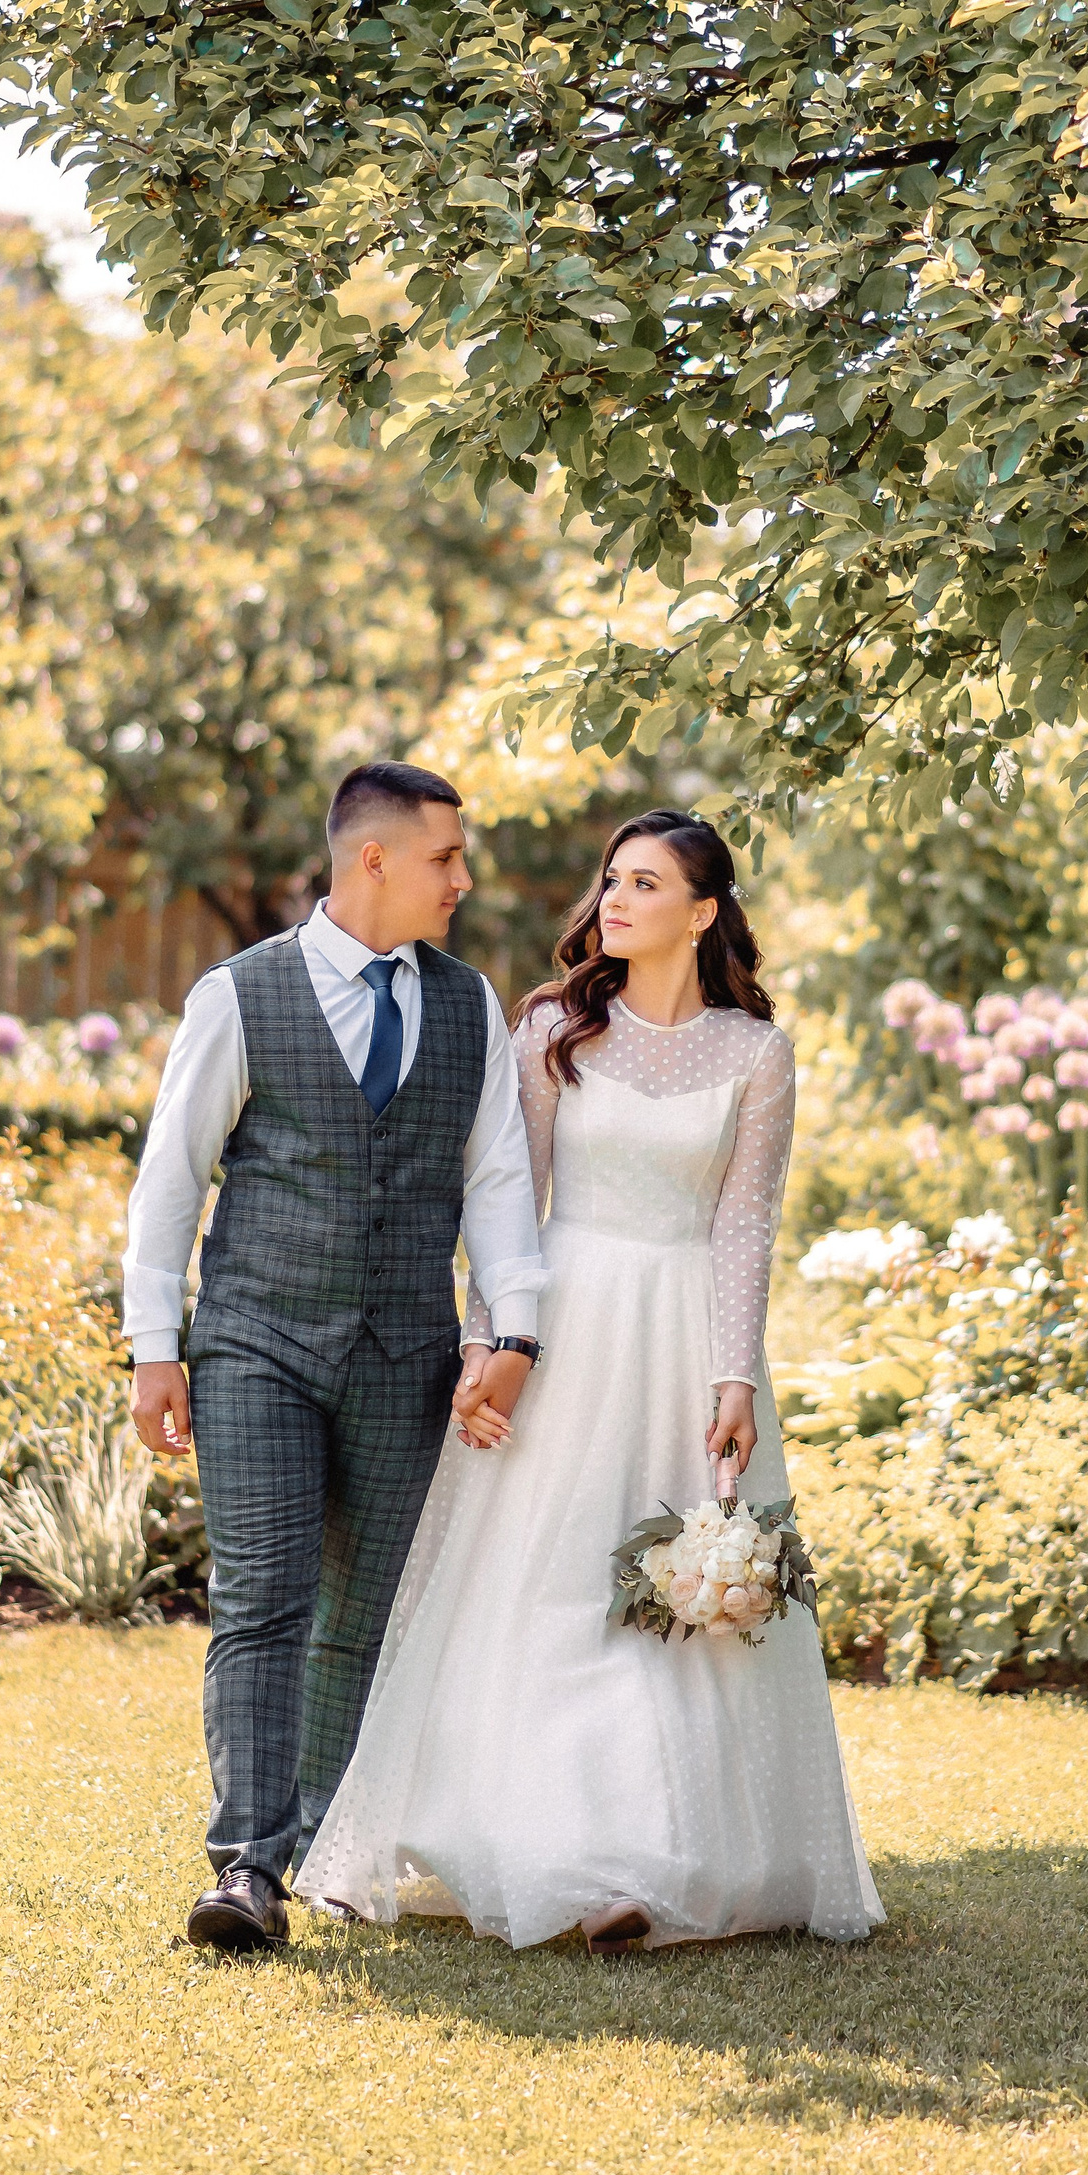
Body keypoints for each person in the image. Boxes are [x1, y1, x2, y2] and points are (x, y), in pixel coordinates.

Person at [298, 810, 884, 1953]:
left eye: (646, 883)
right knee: (542, 1583)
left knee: (668, 1603)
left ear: (702, 912)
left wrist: (734, 1375)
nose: (615, 898)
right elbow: (506, 1203)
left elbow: (743, 1225)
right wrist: (490, 1341)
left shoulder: (756, 1052)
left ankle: (638, 1860)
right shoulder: (554, 1030)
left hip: (681, 1341)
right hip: (561, 1330)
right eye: (612, 879)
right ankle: (526, 1842)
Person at [123, 761, 544, 1954]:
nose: (462, 879)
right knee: (262, 1598)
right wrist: (155, 1345)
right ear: (375, 858)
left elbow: (497, 1182)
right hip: (257, 1340)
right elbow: (170, 1177)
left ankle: (325, 1847)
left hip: (406, 1351)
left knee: (360, 1615)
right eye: (445, 857)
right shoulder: (239, 994)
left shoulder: (468, 1004)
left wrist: (513, 1329)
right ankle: (248, 1866)